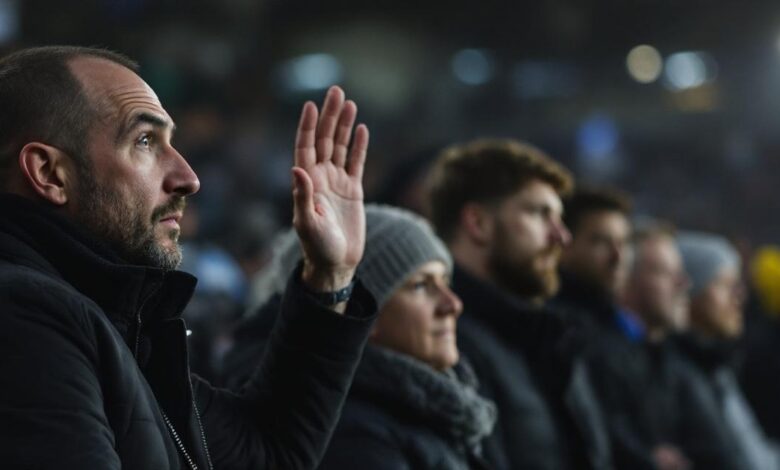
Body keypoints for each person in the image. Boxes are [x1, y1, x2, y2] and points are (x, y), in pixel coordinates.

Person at [0, 45, 377, 469]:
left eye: (171, 142)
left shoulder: (111, 324)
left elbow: (265, 454)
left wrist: (330, 274)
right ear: (50, 173)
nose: (188, 178)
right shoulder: (25, 316)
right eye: (145, 141)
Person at [225, 205, 497, 469]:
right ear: (359, 310)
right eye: (421, 286)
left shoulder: (437, 407)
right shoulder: (353, 436)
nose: (452, 304)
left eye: (445, 282)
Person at [425, 138, 612, 470]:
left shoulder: (549, 336)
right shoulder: (443, 342)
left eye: (559, 218)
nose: (561, 237)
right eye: (540, 214)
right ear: (478, 223)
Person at [587, 221, 693, 470]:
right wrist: (649, 461)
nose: (682, 284)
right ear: (626, 278)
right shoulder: (601, 352)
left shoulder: (661, 353)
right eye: (663, 272)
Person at [675, 232, 780, 470]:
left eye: (738, 284)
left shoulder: (717, 365)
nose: (739, 295)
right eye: (724, 284)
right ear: (689, 290)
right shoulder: (683, 370)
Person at [553, 186, 633, 335]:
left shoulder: (625, 327)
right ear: (564, 244)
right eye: (602, 242)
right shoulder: (548, 324)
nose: (618, 257)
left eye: (623, 243)